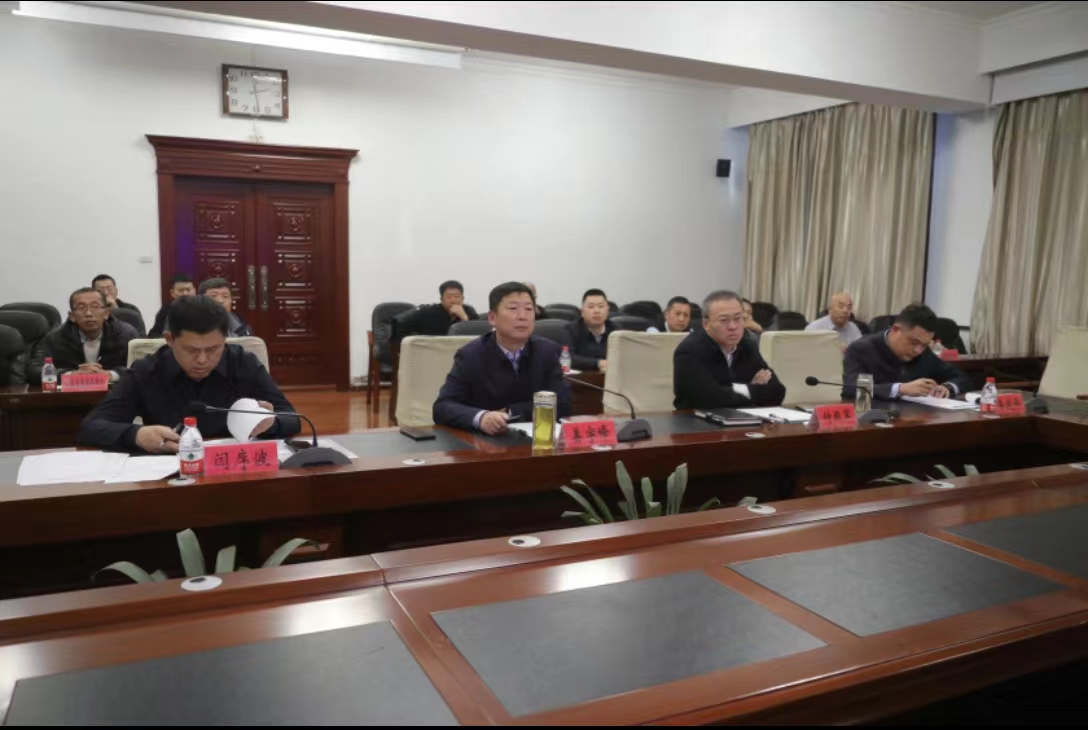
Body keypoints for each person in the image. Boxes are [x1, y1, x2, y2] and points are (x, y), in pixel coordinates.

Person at [77, 296, 299, 453]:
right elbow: (90, 427)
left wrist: (270, 423)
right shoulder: (146, 370)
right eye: (191, 350)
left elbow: (292, 418)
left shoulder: (243, 363)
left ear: (224, 339)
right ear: (169, 339)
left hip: (233, 469)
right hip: (170, 474)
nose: (202, 360)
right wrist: (136, 435)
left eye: (213, 349)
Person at [433, 282, 571, 434]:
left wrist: (511, 412)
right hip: (483, 441)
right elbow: (442, 407)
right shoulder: (471, 354)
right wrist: (482, 418)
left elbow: (562, 404)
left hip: (533, 439)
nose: (522, 316)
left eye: (528, 309)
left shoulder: (548, 351)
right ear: (492, 317)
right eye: (513, 309)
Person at [673, 290, 786, 409]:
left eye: (738, 318)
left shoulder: (747, 346)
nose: (733, 326)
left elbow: (778, 392)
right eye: (724, 320)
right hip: (695, 419)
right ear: (706, 324)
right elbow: (710, 400)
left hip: (743, 417)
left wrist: (733, 389)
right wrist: (752, 390)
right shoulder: (689, 351)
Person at [843, 303, 971, 401]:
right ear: (896, 330)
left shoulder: (924, 353)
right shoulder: (862, 349)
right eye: (914, 342)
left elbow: (962, 377)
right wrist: (901, 389)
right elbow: (851, 387)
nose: (918, 350)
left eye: (924, 345)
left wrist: (947, 387)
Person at [28, 288, 138, 385]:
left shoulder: (126, 334)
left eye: (95, 307)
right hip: (72, 397)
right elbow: (34, 371)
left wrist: (111, 375)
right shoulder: (54, 338)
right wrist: (71, 375)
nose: (89, 313)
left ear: (106, 313)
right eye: (81, 308)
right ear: (72, 316)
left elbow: (141, 368)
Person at [565, 288, 617, 372]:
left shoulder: (616, 330)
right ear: (582, 312)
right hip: (582, 377)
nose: (596, 311)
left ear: (608, 310)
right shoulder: (571, 329)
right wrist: (599, 363)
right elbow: (569, 358)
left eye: (601, 306)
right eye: (591, 307)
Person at [148, 273, 196, 338]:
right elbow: (154, 334)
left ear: (194, 291)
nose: (185, 293)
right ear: (172, 293)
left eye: (188, 290)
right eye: (181, 290)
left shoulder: (202, 309)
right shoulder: (166, 310)